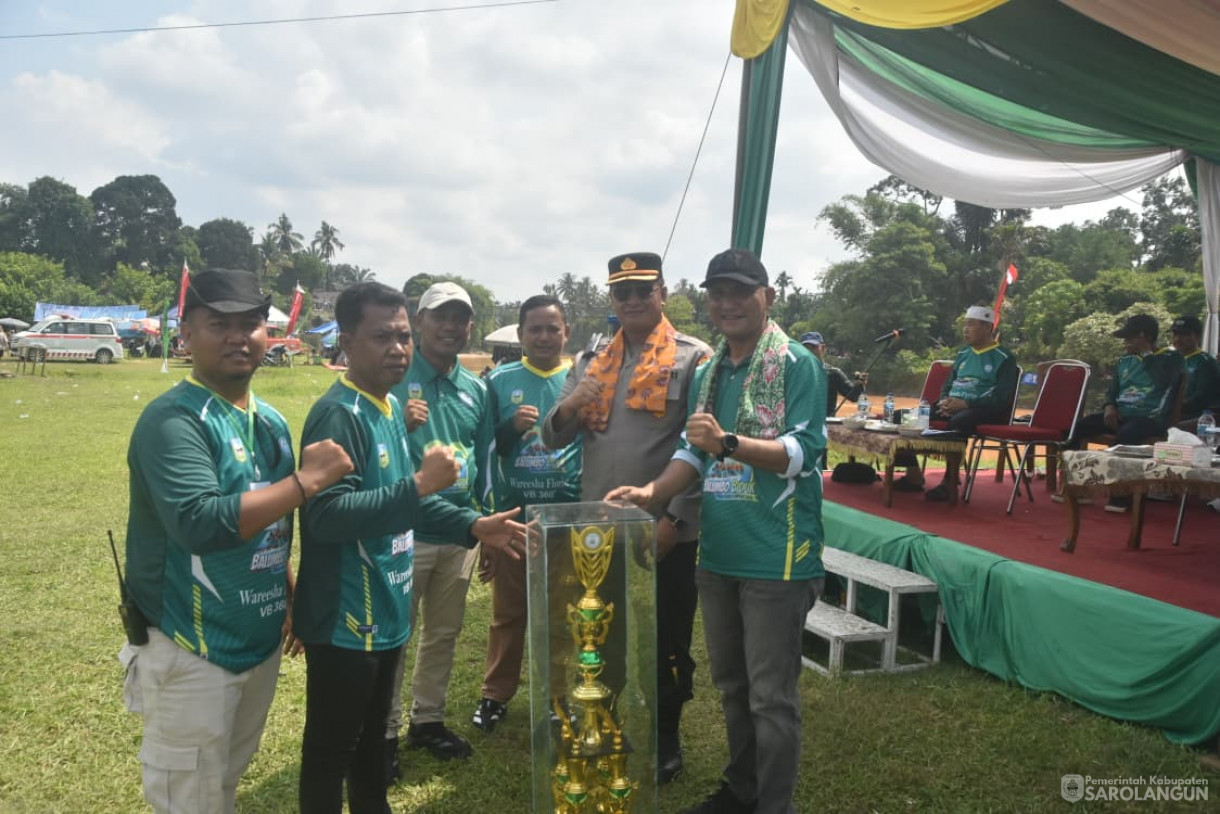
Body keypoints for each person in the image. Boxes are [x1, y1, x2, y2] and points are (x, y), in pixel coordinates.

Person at [120, 268, 353, 814]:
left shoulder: (268, 419)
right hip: (190, 643)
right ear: (185, 333)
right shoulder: (172, 420)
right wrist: (306, 482)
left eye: (251, 324)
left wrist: (287, 588)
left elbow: (272, 521)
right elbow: (199, 522)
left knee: (224, 783)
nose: (237, 337)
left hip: (258, 636)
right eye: (218, 324)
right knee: (189, 799)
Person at [608, 248, 826, 814]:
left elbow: (804, 453)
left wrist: (729, 443)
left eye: (740, 291)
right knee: (732, 686)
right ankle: (741, 789)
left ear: (768, 297)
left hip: (777, 555)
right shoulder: (710, 371)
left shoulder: (797, 363)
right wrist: (654, 494)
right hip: (719, 551)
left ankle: (773, 806)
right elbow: (692, 451)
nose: (727, 303)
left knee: (771, 697)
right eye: (717, 293)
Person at [293, 282, 524, 813]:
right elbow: (324, 516)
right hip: (346, 616)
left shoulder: (387, 409)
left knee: (372, 742)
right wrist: (420, 485)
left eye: (401, 337)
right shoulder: (341, 414)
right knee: (333, 750)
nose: (397, 348)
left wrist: (472, 525)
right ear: (346, 342)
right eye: (382, 337)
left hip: (387, 607)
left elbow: (404, 505)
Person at [542, 251, 711, 784]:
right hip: (597, 528)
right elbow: (552, 435)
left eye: (644, 289)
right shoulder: (590, 360)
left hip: (665, 529)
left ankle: (666, 738)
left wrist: (677, 520)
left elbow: (702, 447)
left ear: (662, 292)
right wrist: (573, 404)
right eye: (623, 292)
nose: (634, 300)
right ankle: (605, 724)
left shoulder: (693, 358)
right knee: (600, 636)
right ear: (611, 299)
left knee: (667, 640)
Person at [385, 281, 492, 767]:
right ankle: (382, 734)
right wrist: (397, 424)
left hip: (460, 532)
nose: (451, 326)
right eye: (440, 317)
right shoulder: (392, 375)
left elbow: (486, 458)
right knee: (395, 635)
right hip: (405, 530)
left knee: (444, 632)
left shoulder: (475, 387)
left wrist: (482, 524)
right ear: (418, 321)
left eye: (460, 318)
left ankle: (427, 720)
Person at [472, 295, 582, 734]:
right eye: (534, 329)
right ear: (519, 336)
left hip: (567, 516)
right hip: (513, 516)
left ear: (566, 333)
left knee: (563, 613)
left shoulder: (581, 379)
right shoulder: (499, 381)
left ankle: (558, 698)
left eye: (552, 328)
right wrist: (509, 428)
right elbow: (484, 447)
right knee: (508, 612)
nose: (543, 336)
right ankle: (495, 695)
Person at [896, 305, 1017, 502]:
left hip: (983, 409)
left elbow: (1001, 397)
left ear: (987, 328)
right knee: (901, 417)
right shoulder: (963, 354)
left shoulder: (1004, 358)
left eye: (971, 324)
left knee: (959, 422)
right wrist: (945, 401)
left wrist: (966, 403)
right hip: (953, 406)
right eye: (964, 325)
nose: (965, 329)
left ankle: (949, 482)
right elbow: (948, 384)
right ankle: (913, 474)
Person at [1067, 313, 1184, 512]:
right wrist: (1109, 407)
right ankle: (1078, 489)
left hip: (1150, 417)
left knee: (1125, 437)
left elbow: (1162, 381)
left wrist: (1146, 354)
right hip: (1122, 413)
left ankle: (1121, 496)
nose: (1125, 342)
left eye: (1129, 337)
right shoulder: (1124, 361)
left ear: (1144, 336)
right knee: (1078, 427)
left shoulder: (1171, 358)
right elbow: (1112, 391)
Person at [1169, 314, 1220, 429]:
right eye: (1175, 334)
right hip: (1173, 412)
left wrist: (1172, 408)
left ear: (1197, 336)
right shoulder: (1170, 361)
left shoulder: (1205, 362)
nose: (1178, 339)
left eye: (1185, 334)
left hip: (1198, 415)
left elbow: (1201, 399)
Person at [799, 331, 866, 418]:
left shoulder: (833, 374)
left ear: (823, 348)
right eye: (806, 348)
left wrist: (860, 383)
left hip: (826, 423)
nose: (809, 351)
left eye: (813, 347)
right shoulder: (795, 372)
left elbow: (853, 396)